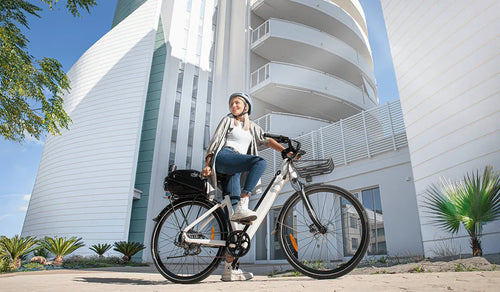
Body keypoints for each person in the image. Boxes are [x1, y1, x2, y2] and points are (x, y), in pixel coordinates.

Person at [202, 92, 289, 281]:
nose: (234, 106)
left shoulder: (252, 128)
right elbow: (214, 142)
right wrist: (208, 165)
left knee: (236, 225)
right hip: (225, 158)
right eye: (232, 103)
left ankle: (229, 270)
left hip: (235, 171)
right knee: (259, 163)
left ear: (246, 107)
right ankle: (244, 201)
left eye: (237, 103)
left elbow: (267, 140)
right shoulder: (227, 121)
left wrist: (285, 151)